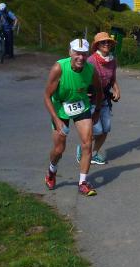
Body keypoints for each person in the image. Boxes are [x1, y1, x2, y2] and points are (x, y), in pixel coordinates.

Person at [44, 39, 104, 196]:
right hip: (60, 108)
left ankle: (83, 183)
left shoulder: (91, 70)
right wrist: (56, 120)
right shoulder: (59, 68)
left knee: (87, 144)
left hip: (81, 106)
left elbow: (99, 91)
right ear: (70, 52)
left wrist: (97, 110)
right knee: (59, 149)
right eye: (77, 53)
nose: (81, 57)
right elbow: (47, 96)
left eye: (84, 54)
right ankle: (51, 171)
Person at [77, 32, 120, 166]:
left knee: (106, 128)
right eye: (103, 42)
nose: (106, 44)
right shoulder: (91, 60)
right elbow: (80, 78)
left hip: (105, 98)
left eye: (108, 42)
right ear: (97, 45)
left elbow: (112, 79)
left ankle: (94, 153)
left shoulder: (112, 61)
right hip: (91, 100)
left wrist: (117, 90)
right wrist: (83, 92)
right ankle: (83, 148)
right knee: (96, 130)